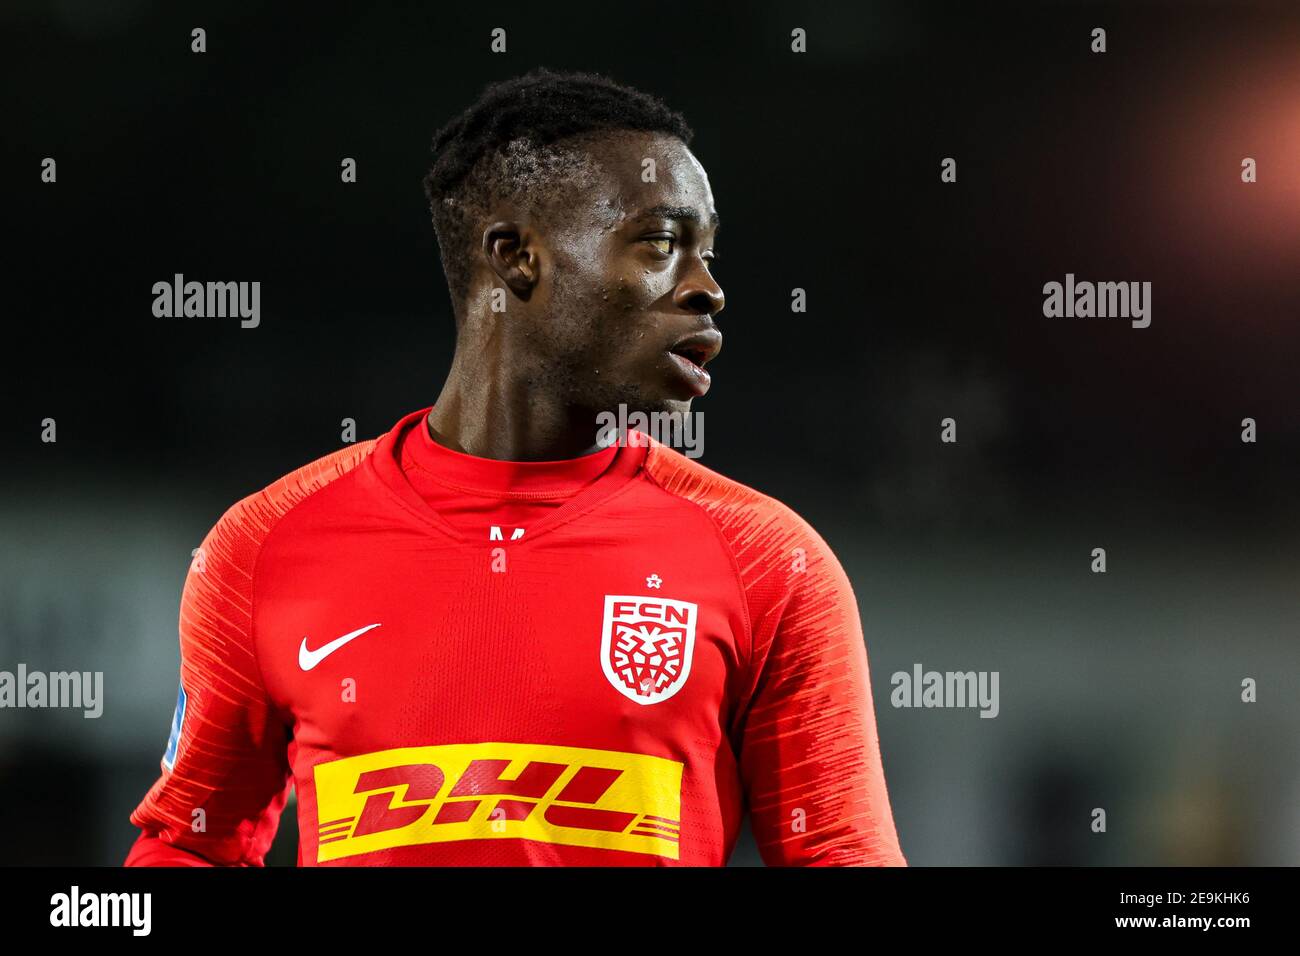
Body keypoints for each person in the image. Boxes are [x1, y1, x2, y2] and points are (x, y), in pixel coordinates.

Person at [124, 68, 905, 866]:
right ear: (517, 259)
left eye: (708, 253)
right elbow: (191, 845)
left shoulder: (771, 563)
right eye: (664, 244)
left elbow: (841, 854)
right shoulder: (266, 546)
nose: (709, 290)